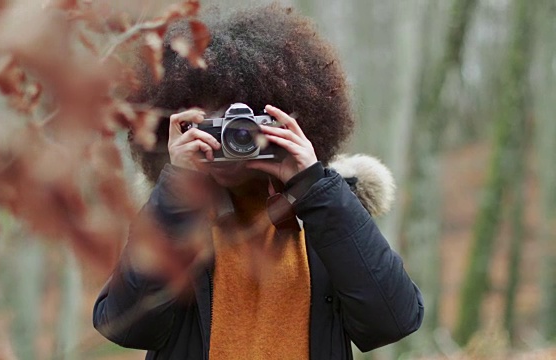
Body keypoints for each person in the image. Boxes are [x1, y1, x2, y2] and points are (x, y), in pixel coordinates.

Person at [93, 4, 424, 359]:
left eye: (248, 125)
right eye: (210, 125)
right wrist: (177, 192)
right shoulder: (174, 215)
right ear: (177, 122)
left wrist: (314, 186)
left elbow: (395, 320)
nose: (229, 140)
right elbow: (124, 325)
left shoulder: (326, 215)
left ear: (286, 122)